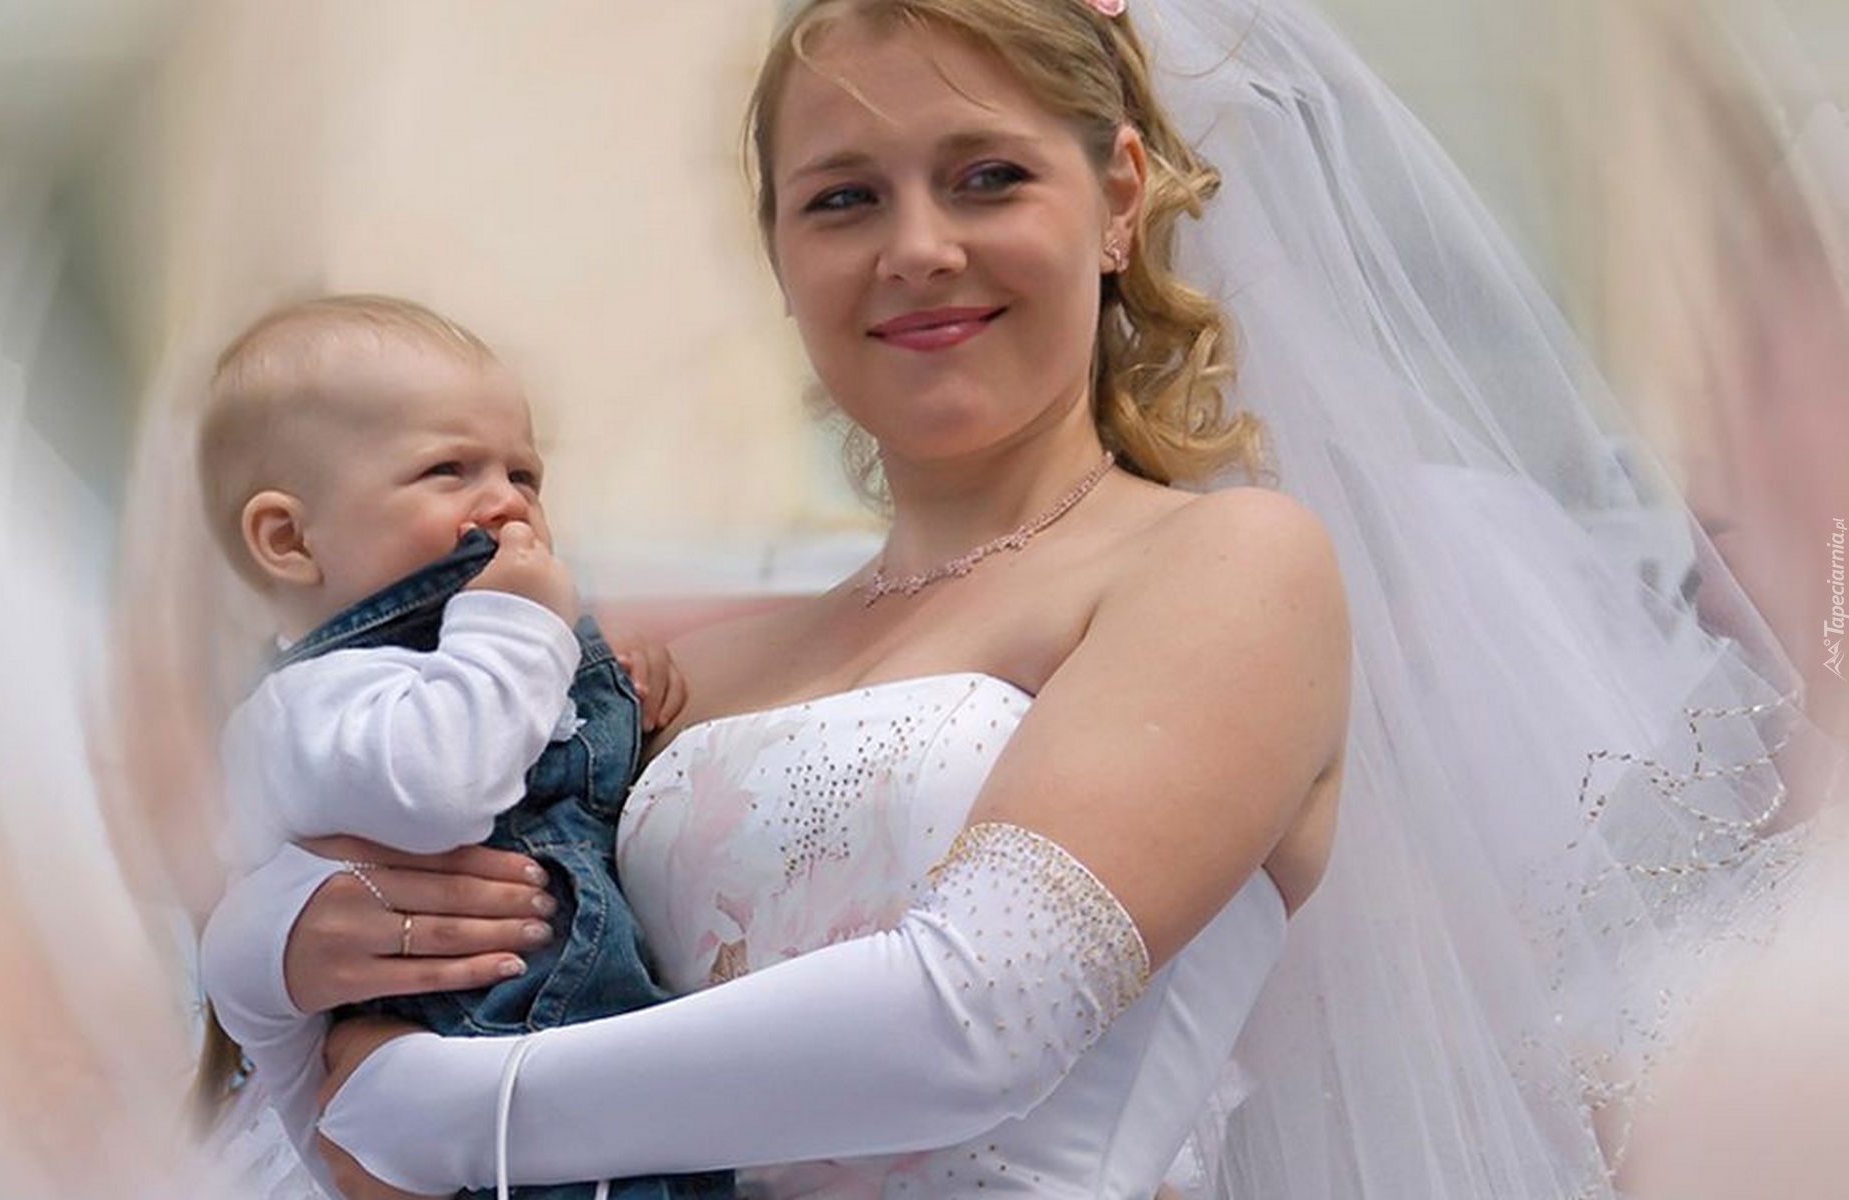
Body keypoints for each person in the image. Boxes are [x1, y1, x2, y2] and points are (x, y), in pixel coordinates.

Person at [200, 1, 1802, 1197]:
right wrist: (271, 959)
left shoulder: (1227, 570)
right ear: (779, 253)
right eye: (843, 198)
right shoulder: (680, 667)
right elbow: (435, 995)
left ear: (1118, 199)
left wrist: (463, 1111)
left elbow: (977, 1017)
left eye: (985, 178)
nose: (917, 249)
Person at [196, 294, 729, 1200]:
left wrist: (615, 685)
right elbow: (444, 784)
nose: (509, 503)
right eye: (448, 469)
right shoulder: (303, 705)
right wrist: (524, 629)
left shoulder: (497, 651)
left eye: (526, 474)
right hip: (472, 1121)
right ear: (289, 540)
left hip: (589, 1088)